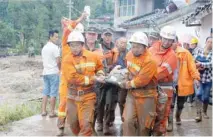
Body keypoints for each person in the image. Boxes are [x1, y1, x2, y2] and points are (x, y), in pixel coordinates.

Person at [62, 31, 105, 136]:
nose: (74, 48)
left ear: (82, 44)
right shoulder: (67, 60)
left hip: (88, 96)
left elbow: (99, 67)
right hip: (72, 97)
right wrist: (93, 79)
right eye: (72, 45)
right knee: (73, 124)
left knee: (86, 125)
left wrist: (100, 74)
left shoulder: (92, 56)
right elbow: (73, 78)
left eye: (77, 45)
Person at [120, 32, 158, 136]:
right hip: (132, 94)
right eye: (133, 46)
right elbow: (128, 70)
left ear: (145, 47)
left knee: (144, 127)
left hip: (147, 96)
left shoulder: (150, 61)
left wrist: (126, 84)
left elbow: (142, 80)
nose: (135, 49)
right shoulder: (129, 55)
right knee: (128, 121)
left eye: (138, 47)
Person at [57, 13, 87, 136]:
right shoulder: (66, 42)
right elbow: (69, 28)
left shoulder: (82, 48)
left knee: (79, 101)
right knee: (64, 100)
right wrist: (81, 18)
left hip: (78, 77)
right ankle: (61, 123)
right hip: (66, 77)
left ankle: (79, 124)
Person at [149, 26, 178, 135]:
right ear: (161, 37)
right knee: (148, 114)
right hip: (150, 87)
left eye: (169, 40)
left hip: (165, 89)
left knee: (162, 117)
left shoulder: (172, 56)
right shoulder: (151, 50)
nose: (166, 42)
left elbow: (161, 72)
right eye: (165, 38)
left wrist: (144, 76)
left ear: (172, 41)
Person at [170, 36, 200, 126]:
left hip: (182, 83)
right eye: (169, 41)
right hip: (170, 83)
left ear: (177, 42)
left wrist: (196, 78)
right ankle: (170, 122)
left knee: (180, 104)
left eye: (173, 41)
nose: (171, 43)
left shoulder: (185, 53)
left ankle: (178, 115)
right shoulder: (165, 53)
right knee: (170, 104)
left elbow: (192, 67)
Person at [96, 28, 118, 135]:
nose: (108, 37)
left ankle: (106, 124)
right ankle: (99, 122)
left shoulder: (115, 48)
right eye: (106, 35)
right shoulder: (98, 47)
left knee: (110, 103)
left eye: (110, 35)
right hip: (100, 78)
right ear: (102, 36)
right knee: (100, 103)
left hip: (112, 79)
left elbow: (118, 61)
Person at [41, 30, 60, 117]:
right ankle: (52, 112)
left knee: (45, 92)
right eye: (55, 37)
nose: (57, 38)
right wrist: (60, 69)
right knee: (53, 93)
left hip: (45, 72)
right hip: (53, 72)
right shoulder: (55, 48)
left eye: (57, 36)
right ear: (50, 37)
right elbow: (58, 61)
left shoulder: (44, 47)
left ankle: (43, 111)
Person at [194, 37, 212, 122]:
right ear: (205, 42)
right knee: (198, 94)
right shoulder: (199, 51)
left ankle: (204, 112)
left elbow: (211, 64)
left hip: (208, 79)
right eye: (208, 42)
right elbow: (193, 60)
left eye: (212, 42)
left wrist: (200, 63)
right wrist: (196, 65)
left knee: (205, 97)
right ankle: (199, 113)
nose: (210, 44)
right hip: (199, 78)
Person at [114, 37, 128, 122]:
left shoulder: (129, 53)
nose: (123, 45)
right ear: (117, 43)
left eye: (125, 43)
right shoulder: (112, 53)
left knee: (121, 100)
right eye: (121, 43)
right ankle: (108, 122)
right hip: (113, 80)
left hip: (123, 81)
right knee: (110, 103)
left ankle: (124, 118)